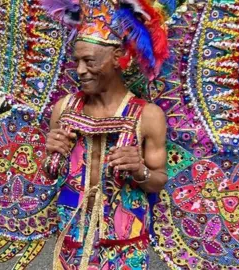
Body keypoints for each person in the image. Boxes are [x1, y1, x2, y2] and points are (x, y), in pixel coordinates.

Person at [42, 1, 169, 266]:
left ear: (117, 57)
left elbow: (158, 180)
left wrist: (139, 169)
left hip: (126, 245)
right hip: (71, 239)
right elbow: (50, 174)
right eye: (76, 60)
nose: (80, 70)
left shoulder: (148, 115)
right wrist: (50, 155)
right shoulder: (63, 108)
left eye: (89, 61)